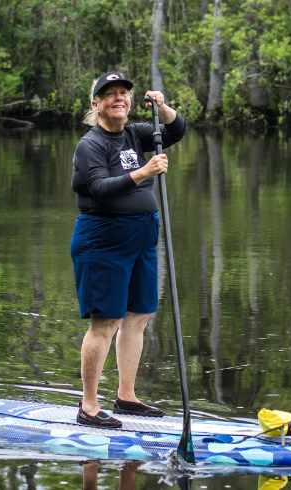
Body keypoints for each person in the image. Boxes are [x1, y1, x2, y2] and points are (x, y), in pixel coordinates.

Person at [70, 72, 187, 427]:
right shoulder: (90, 144)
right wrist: (144, 171)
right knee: (105, 322)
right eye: (110, 95)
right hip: (102, 239)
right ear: (96, 104)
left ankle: (126, 396)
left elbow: (177, 130)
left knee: (137, 317)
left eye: (123, 93)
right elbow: (100, 188)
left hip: (141, 239)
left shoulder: (137, 134)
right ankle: (88, 406)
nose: (118, 98)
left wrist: (163, 108)